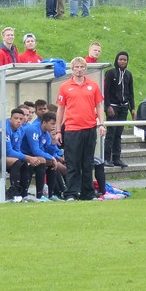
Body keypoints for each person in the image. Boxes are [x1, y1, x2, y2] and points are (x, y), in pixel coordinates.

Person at [54, 57, 107, 201]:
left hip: (89, 128)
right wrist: (58, 131)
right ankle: (71, 193)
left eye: (81, 67)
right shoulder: (65, 86)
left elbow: (99, 106)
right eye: (76, 67)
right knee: (72, 162)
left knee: (88, 162)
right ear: (72, 69)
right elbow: (60, 109)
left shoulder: (93, 86)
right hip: (72, 129)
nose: (79, 70)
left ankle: (88, 193)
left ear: (85, 69)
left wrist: (101, 124)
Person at [0, 108, 41, 200]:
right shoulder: (5, 128)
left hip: (0, 153)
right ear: (10, 119)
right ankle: (13, 193)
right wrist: (28, 157)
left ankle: (23, 194)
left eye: (21, 119)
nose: (18, 121)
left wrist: (26, 158)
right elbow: (9, 151)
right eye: (16, 118)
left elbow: (17, 149)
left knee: (24, 163)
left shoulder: (20, 130)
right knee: (17, 162)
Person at [22, 111, 67, 200]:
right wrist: (52, 157)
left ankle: (51, 195)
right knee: (42, 160)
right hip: (24, 155)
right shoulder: (33, 129)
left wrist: (53, 142)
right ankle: (39, 195)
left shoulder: (46, 133)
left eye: (55, 124)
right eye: (52, 124)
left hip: (33, 155)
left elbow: (48, 151)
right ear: (44, 123)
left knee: (51, 163)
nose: (54, 126)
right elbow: (35, 150)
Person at [102, 51, 134, 167]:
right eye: (120, 59)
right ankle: (106, 158)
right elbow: (105, 91)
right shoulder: (110, 73)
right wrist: (108, 106)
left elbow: (130, 92)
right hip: (113, 107)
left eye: (125, 60)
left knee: (118, 133)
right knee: (111, 133)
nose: (122, 61)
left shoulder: (128, 75)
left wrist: (132, 108)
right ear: (117, 60)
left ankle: (116, 158)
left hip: (123, 107)